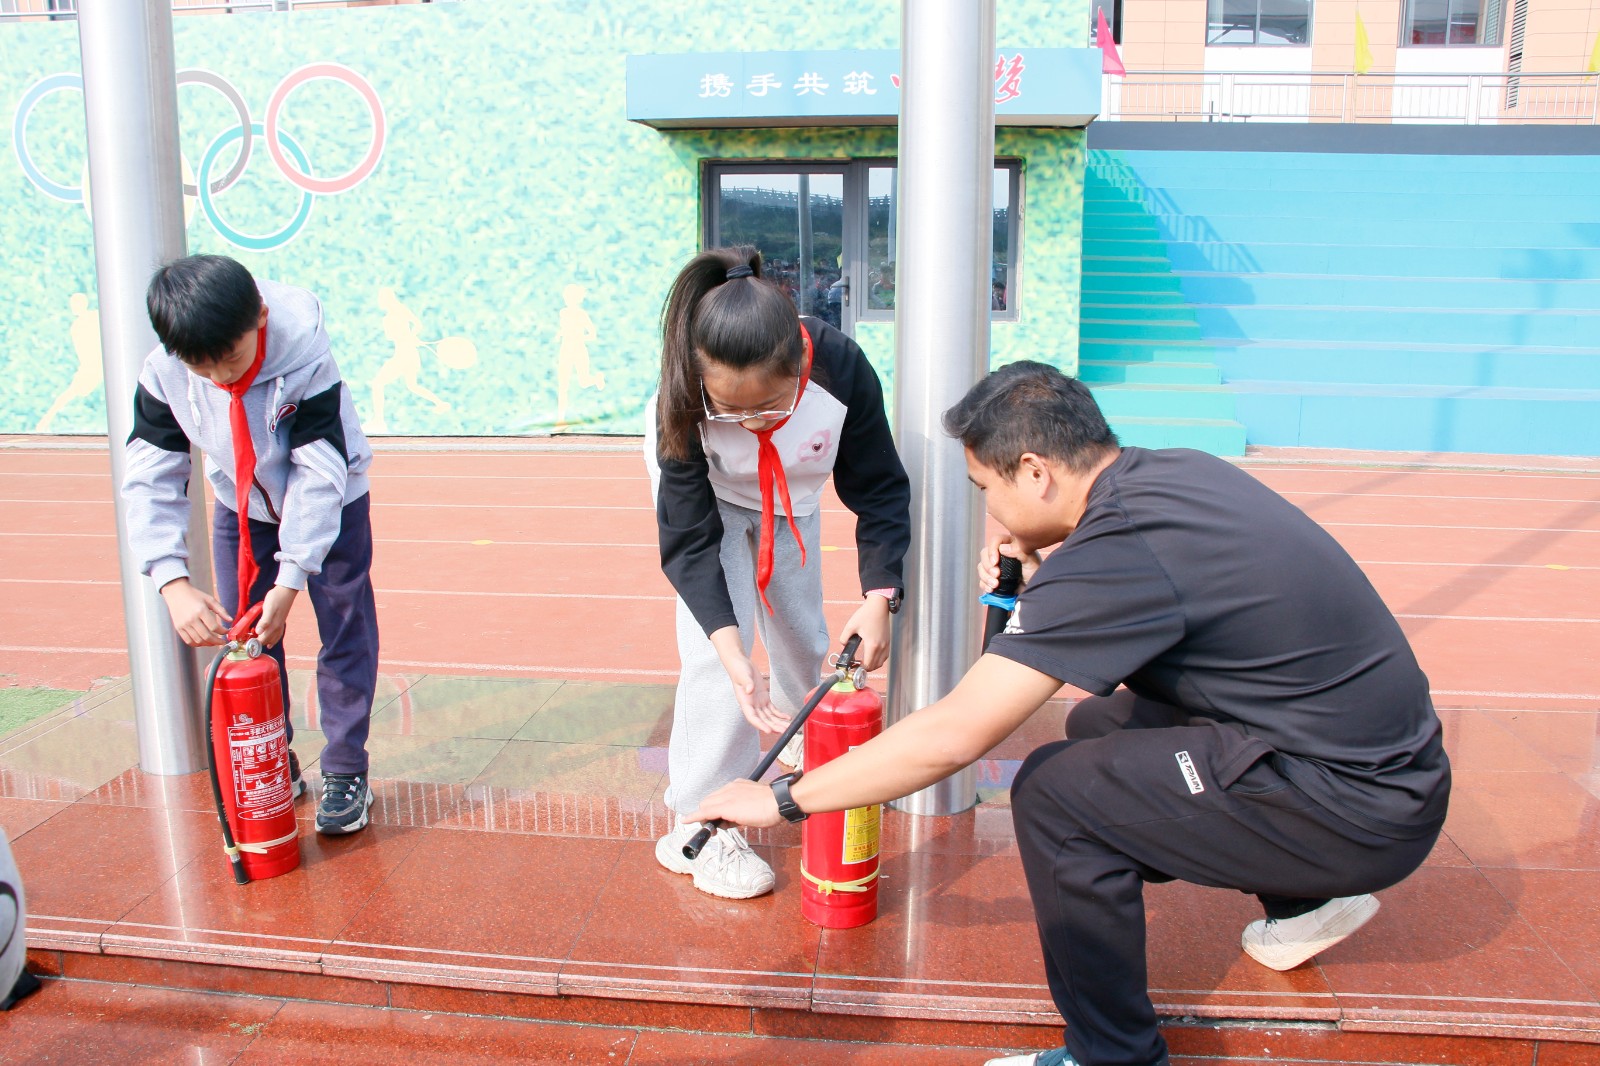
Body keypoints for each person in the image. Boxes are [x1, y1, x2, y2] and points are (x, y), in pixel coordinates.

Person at [691, 360, 1451, 1065]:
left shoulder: (1116, 552)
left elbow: (960, 731)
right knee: (1099, 726)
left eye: (986, 486)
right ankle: (1309, 902)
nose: (989, 506)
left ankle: (1109, 1054)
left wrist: (784, 798)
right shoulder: (1173, 476)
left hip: (1357, 807)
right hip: (1380, 766)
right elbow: (1141, 604)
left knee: (1057, 796)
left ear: (1036, 472)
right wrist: (1046, 577)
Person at [646, 245, 911, 900]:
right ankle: (700, 821)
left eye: (770, 407)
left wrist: (880, 595)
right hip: (711, 502)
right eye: (731, 413)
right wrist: (729, 646)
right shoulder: (679, 395)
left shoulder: (842, 368)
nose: (752, 423)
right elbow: (687, 540)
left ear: (800, 365)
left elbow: (879, 489)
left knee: (802, 632)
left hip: (793, 494)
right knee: (716, 665)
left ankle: (799, 745)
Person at [123, 255, 381, 835]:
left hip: (331, 504)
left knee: (343, 631)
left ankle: (346, 768)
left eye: (232, 359)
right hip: (243, 508)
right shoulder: (166, 370)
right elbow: (151, 473)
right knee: (249, 638)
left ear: (260, 318)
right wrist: (171, 580)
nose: (219, 379)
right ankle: (273, 757)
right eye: (201, 367)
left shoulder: (306, 355)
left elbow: (320, 469)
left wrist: (292, 578)